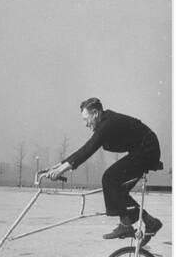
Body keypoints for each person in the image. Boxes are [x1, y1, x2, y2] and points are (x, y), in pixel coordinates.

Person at [47, 98, 163, 239]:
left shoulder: (107, 123)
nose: (86, 124)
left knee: (110, 178)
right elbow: (85, 148)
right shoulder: (105, 121)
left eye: (86, 119)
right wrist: (60, 165)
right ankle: (150, 222)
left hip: (147, 149)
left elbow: (88, 149)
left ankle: (126, 225)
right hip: (143, 149)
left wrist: (61, 170)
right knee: (119, 190)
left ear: (95, 113)